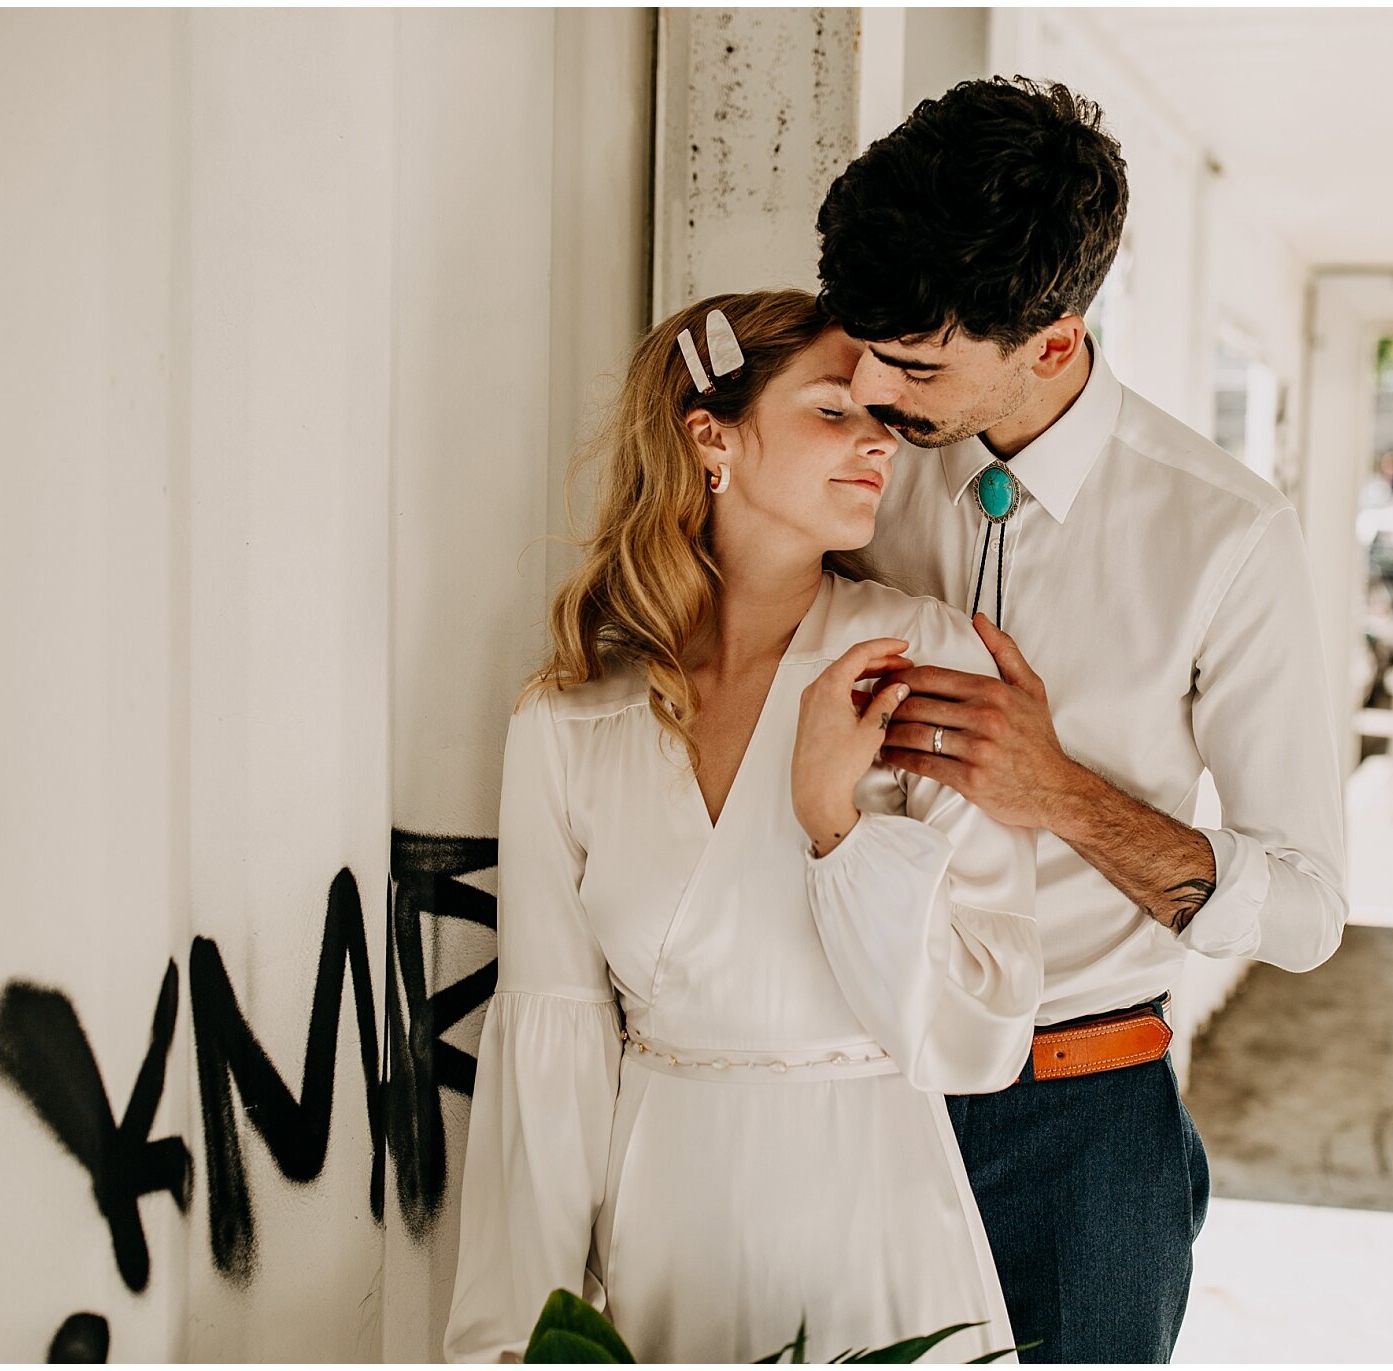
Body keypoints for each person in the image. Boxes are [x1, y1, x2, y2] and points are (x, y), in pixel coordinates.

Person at [816, 78, 1349, 1363]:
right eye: (864, 339)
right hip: (831, 1092)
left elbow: (1305, 909)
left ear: (1052, 341)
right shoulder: (846, 461)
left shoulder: (1224, 535)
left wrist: (1055, 792)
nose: (869, 384)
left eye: (917, 363)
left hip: (1074, 1135)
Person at [443, 290, 1043, 1363]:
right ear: (710, 436)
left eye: (886, 419)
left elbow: (978, 1031)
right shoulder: (571, 718)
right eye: (831, 412)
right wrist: (513, 1340)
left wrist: (835, 830)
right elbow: (553, 1051)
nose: (877, 446)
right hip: (667, 1231)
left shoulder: (922, 661)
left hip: (873, 1220)